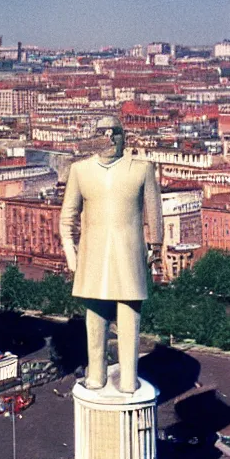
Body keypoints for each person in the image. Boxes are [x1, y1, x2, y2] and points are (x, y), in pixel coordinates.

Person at [59, 115, 163, 394]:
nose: (109, 137)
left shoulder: (142, 169)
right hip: (92, 257)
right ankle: (97, 373)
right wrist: (72, 257)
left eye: (114, 132)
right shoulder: (80, 171)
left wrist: (155, 247)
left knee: (129, 315)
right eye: (102, 132)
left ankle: (129, 377)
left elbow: (154, 213)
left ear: (123, 136)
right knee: (95, 316)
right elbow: (66, 218)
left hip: (130, 255)